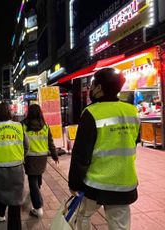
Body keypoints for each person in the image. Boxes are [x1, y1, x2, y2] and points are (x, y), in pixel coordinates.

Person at [68, 68, 140, 230]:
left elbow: (81, 155)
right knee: (120, 226)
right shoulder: (132, 111)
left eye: (92, 85)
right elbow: (134, 141)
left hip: (96, 183)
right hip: (124, 181)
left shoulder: (91, 112)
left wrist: (74, 183)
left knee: (83, 216)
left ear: (99, 88)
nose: (90, 89)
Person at [0, 102, 29, 230]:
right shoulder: (19, 126)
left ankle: (0, 213)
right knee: (15, 203)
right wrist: (19, 157)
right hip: (17, 169)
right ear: (10, 112)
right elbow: (26, 147)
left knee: (0, 193)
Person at [21, 104, 58, 218]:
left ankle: (38, 207)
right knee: (37, 177)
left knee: (32, 181)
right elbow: (50, 142)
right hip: (42, 157)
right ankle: (37, 190)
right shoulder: (45, 126)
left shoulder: (23, 126)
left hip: (29, 157)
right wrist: (54, 155)